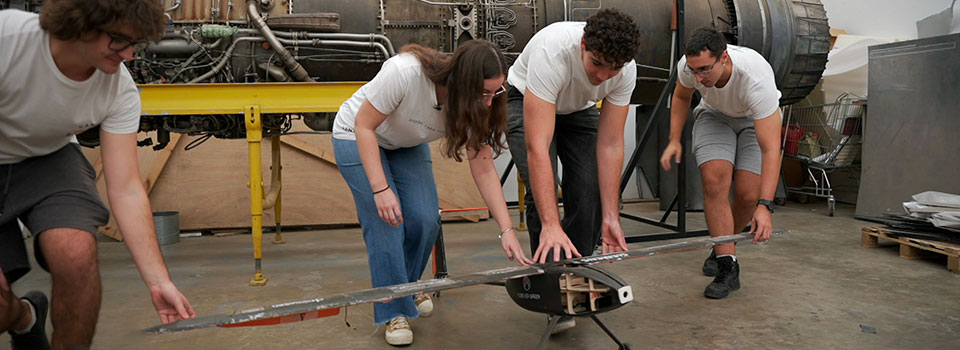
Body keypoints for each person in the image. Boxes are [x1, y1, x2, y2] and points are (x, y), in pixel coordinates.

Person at [0, 1, 196, 349]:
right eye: (120, 41)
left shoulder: (118, 90)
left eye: (136, 44)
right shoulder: (9, 38)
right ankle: (25, 318)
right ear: (81, 22)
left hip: (49, 157)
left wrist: (158, 280)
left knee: (75, 252)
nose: (130, 55)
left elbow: (126, 189)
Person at [331, 39, 531, 346]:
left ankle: (406, 287)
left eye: (496, 92)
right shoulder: (405, 73)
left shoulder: (482, 102)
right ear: (461, 82)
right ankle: (393, 308)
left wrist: (506, 229)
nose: (490, 102)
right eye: (483, 93)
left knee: (425, 219)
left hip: (406, 143)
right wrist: (381, 189)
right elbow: (363, 126)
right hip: (357, 135)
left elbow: (483, 165)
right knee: (388, 221)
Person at [505, 7, 640, 333]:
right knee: (543, 194)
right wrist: (552, 223)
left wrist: (611, 217)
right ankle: (551, 283)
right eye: (597, 64)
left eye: (613, 69)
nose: (603, 76)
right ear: (583, 45)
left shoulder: (624, 70)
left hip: (577, 108)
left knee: (589, 190)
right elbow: (539, 147)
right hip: (526, 97)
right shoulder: (552, 52)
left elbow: (610, 145)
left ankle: (576, 273)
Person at [659, 27, 781, 299]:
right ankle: (728, 266)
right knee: (714, 180)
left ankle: (720, 244)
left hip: (753, 120)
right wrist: (674, 139)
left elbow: (771, 148)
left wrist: (765, 205)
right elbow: (680, 96)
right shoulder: (689, 67)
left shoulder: (756, 78)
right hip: (714, 116)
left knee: (748, 194)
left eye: (705, 70)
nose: (699, 78)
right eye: (694, 71)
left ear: (724, 57)